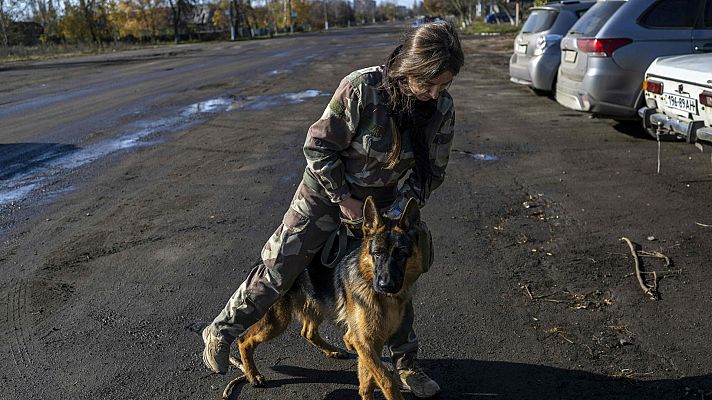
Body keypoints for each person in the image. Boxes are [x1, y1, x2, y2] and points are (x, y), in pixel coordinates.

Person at [202, 21, 464, 398]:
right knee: (281, 267)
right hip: (326, 193)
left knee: (398, 277)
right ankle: (222, 331)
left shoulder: (441, 109)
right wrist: (344, 198)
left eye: (445, 86)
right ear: (409, 69)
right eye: (428, 84)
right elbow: (318, 149)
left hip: (386, 203)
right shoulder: (362, 89)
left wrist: (401, 211)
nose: (435, 94)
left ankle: (407, 366)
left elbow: (432, 171)